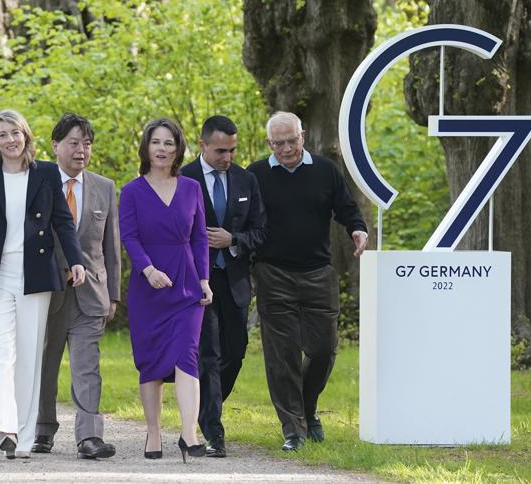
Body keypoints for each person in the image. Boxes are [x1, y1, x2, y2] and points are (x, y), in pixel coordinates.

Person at [0, 109, 85, 459]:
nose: (10, 140)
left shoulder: (45, 173)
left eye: (15, 132)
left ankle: (25, 438)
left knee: (29, 355)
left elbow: (62, 221)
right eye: (2, 134)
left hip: (36, 275)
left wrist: (75, 260)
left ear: (26, 136)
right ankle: (5, 428)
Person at [246, 111, 368, 452]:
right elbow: (245, 224)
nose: (287, 149)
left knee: (324, 349)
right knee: (281, 354)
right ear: (269, 143)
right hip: (273, 273)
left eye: (292, 140)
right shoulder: (255, 175)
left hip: (317, 272)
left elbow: (347, 208)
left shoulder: (326, 170)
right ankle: (294, 429)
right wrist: (248, 270)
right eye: (279, 143)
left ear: (303, 135)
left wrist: (358, 229)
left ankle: (307, 407)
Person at [119, 117, 212, 463]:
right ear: (146, 148)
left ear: (178, 149)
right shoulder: (131, 191)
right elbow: (129, 236)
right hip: (149, 286)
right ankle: (154, 433)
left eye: (169, 143)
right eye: (156, 142)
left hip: (187, 284)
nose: (162, 149)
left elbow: (200, 236)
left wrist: (203, 278)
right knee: (152, 362)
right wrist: (148, 269)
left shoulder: (191, 189)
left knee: (187, 355)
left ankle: (189, 433)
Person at [33, 113, 121, 460]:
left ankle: (89, 437)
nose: (81, 150)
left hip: (91, 295)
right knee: (45, 364)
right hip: (47, 291)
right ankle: (42, 430)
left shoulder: (105, 187)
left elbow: (111, 248)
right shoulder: (37, 182)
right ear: (55, 146)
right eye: (73, 142)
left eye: (86, 143)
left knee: (88, 367)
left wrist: (113, 294)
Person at [181, 115, 266, 458]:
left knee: (236, 351)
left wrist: (234, 240)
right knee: (209, 354)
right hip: (197, 282)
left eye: (231, 150)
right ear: (202, 145)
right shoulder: (184, 178)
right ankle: (214, 432)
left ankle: (203, 409)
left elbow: (261, 230)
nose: (227, 157)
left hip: (234, 281)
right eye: (220, 150)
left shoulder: (246, 180)